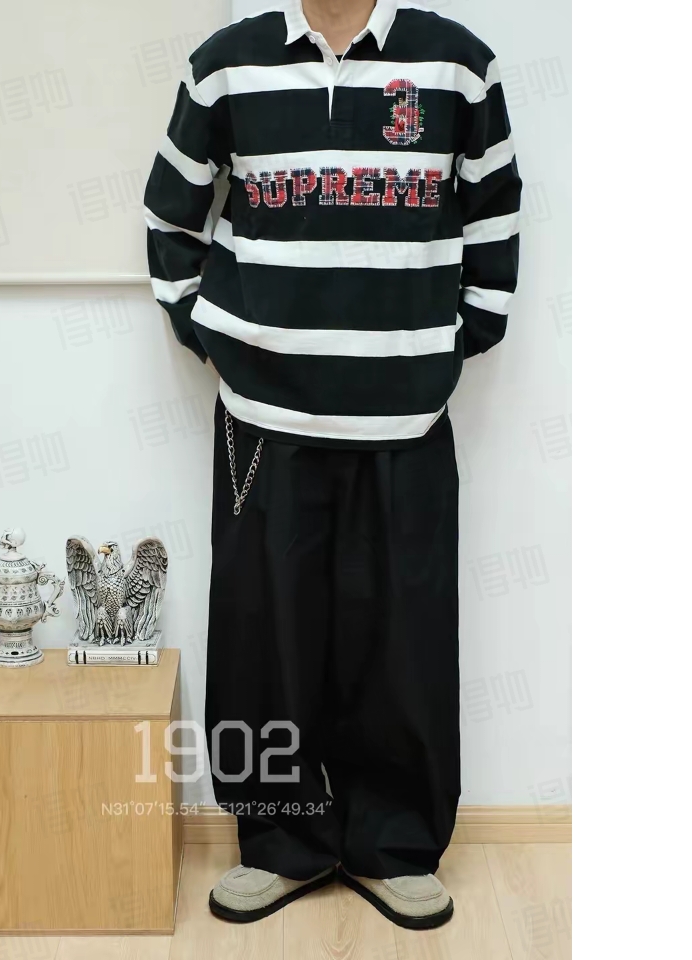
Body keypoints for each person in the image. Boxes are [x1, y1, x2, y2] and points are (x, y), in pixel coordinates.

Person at [143, 0, 521, 930]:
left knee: (402, 641)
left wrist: (452, 344)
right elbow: (170, 214)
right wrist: (216, 338)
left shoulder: (457, 64)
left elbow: (496, 216)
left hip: (405, 414)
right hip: (264, 418)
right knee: (266, 634)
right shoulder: (226, 64)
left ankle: (395, 846)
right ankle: (279, 841)